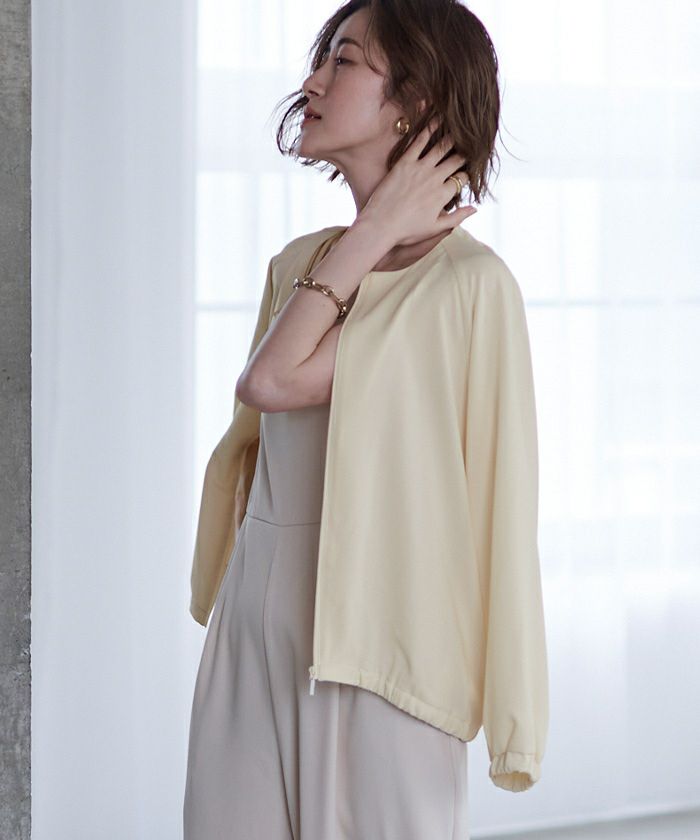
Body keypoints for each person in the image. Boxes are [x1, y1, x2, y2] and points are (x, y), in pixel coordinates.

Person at [184, 1, 548, 837]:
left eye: (343, 61)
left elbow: (273, 380)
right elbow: (262, 407)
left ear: (413, 103)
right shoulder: (299, 266)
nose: (311, 83)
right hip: (253, 640)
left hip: (387, 663)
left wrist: (516, 711)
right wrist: (376, 226)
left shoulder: (468, 287)